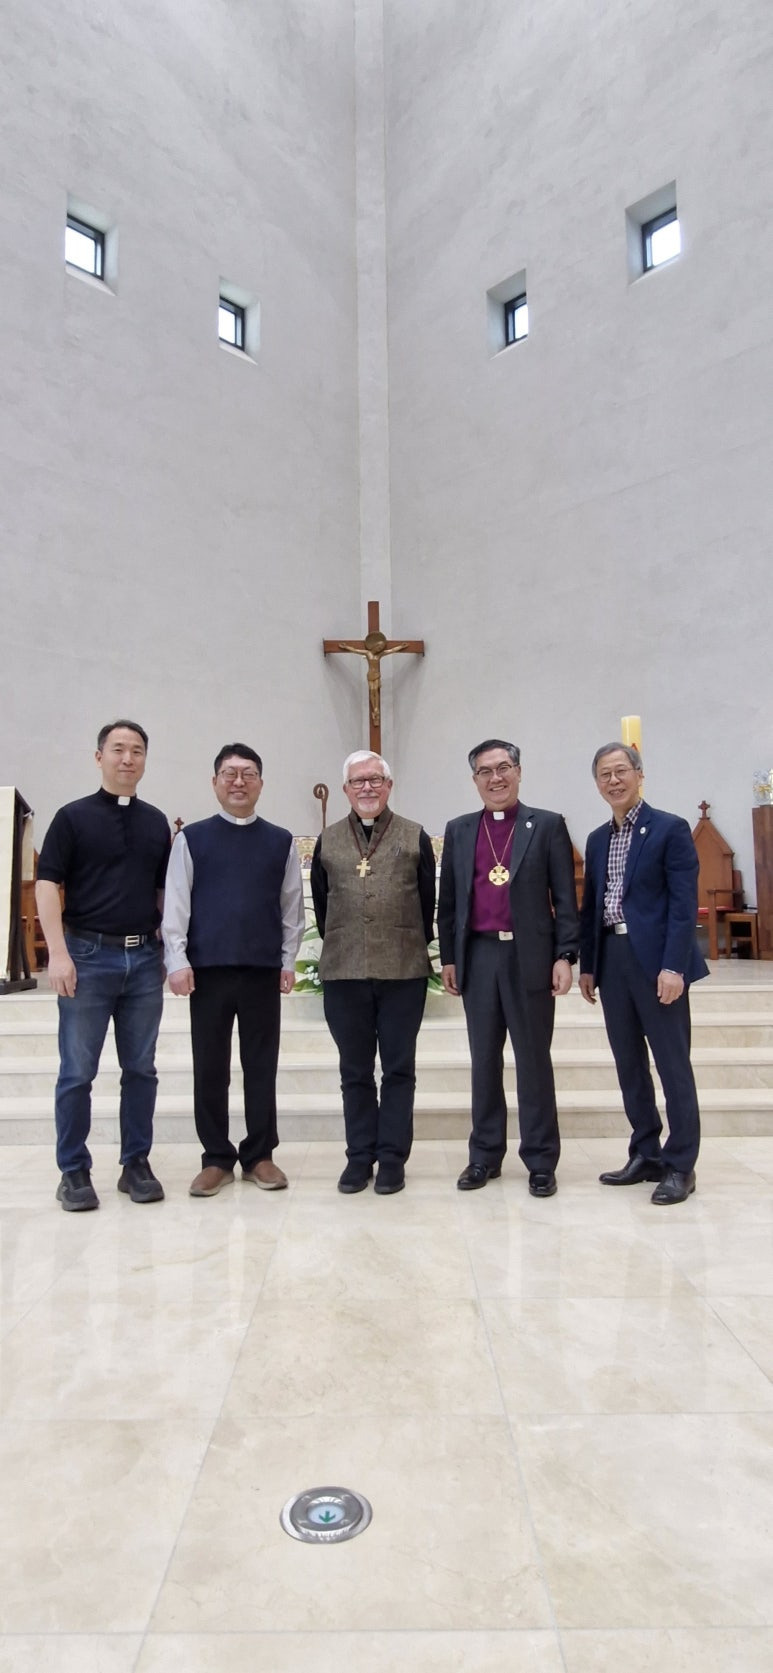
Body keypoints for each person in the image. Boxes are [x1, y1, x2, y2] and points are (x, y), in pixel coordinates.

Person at [36, 720, 171, 1211]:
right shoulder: (72, 817)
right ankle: (73, 1170)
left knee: (141, 1069)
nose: (127, 758)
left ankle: (136, 1164)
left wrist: (164, 948)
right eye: (118, 749)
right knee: (77, 1072)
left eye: (137, 750)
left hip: (143, 958)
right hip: (87, 957)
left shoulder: (155, 821)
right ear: (99, 757)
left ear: (145, 760)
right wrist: (58, 953)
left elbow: (162, 891)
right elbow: (46, 885)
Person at [162, 743, 305, 1198]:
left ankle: (260, 1154)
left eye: (248, 773)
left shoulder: (280, 841)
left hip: (262, 969)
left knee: (261, 1065)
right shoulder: (192, 839)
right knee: (210, 1067)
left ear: (261, 783)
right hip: (209, 970)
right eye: (229, 773)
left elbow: (291, 907)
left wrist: (288, 959)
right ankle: (216, 1158)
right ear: (215, 782)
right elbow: (177, 903)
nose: (238, 781)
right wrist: (177, 960)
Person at [438, 738, 578, 1196]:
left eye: (503, 768)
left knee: (533, 1060)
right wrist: (450, 957)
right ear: (474, 779)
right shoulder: (460, 830)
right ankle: (484, 1155)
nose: (495, 778)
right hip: (479, 956)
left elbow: (565, 898)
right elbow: (449, 902)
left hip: (529, 956)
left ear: (518, 772)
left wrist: (565, 955)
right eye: (485, 771)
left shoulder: (547, 825)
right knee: (483, 1060)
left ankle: (540, 1159)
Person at [579, 741, 708, 1204]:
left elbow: (682, 905)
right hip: (612, 958)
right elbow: (593, 905)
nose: (613, 781)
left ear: (639, 774)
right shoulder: (597, 839)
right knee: (629, 1063)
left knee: (672, 1065)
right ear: (597, 783)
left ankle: (681, 1164)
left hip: (657, 962)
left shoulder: (669, 829)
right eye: (604, 774)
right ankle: (646, 1152)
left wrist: (674, 966)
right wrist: (588, 965)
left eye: (621, 771)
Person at [311, 751, 436, 1194]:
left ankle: (392, 1159)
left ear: (389, 786)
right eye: (358, 781)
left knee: (399, 1069)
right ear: (345, 789)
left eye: (375, 780)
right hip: (344, 971)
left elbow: (426, 901)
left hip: (403, 971)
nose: (367, 787)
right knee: (355, 1071)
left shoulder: (414, 836)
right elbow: (323, 906)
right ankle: (359, 1157)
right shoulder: (327, 840)